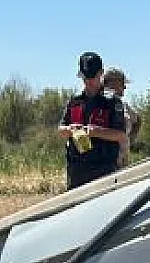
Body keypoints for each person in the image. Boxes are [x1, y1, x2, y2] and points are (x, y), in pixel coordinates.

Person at [58, 52, 127, 188]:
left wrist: (95, 132)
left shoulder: (112, 102)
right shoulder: (75, 101)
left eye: (92, 77)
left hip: (103, 170)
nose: (88, 81)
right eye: (85, 77)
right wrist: (70, 130)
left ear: (101, 73)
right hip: (77, 171)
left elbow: (120, 134)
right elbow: (61, 129)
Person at [102, 67, 137, 166]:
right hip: (106, 163)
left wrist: (130, 140)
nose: (125, 87)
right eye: (122, 83)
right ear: (112, 83)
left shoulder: (123, 105)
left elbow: (137, 120)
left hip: (122, 162)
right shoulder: (100, 103)